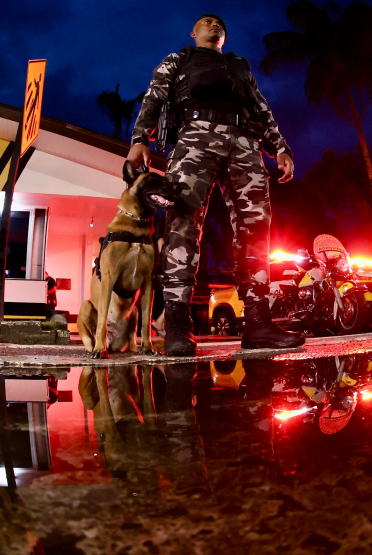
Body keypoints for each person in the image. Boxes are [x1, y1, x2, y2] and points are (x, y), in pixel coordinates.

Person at [126, 14, 303, 355]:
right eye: (206, 21)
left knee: (256, 226)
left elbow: (260, 106)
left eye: (220, 22)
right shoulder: (180, 59)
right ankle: (178, 326)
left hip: (244, 142)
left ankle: (258, 324)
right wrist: (139, 138)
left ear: (225, 35)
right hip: (194, 137)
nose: (214, 24)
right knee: (183, 222)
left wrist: (279, 146)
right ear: (194, 32)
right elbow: (155, 97)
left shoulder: (238, 65)